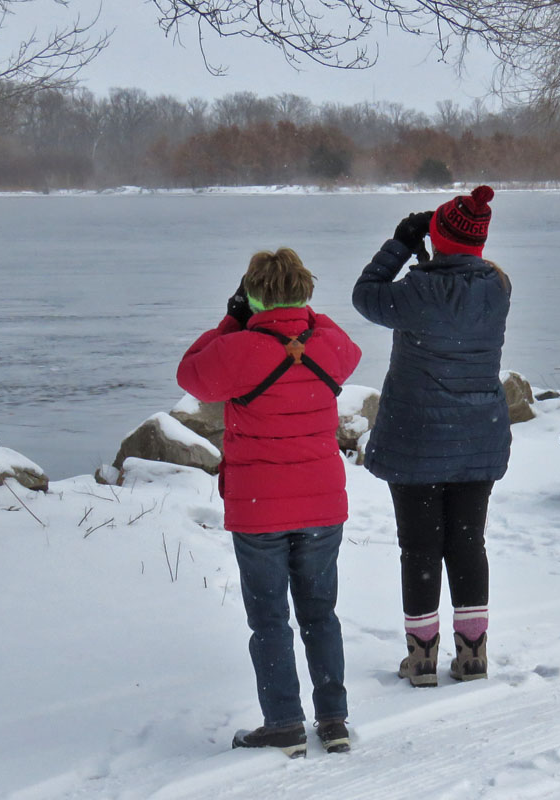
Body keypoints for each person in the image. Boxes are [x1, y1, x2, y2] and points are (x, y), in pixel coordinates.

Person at [177, 247, 361, 756]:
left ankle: (283, 722)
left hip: (260, 508)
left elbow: (189, 373)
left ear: (250, 295)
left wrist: (232, 320)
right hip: (323, 505)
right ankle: (334, 720)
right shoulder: (329, 344)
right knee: (321, 613)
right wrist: (304, 315)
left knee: (270, 619)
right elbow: (347, 348)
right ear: (306, 293)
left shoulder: (239, 350)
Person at [352, 186, 512, 686]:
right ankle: (473, 655)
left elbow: (366, 295)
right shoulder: (498, 287)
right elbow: (461, 277)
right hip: (477, 435)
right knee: (468, 544)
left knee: (420, 548)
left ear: (436, 238)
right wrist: (439, 250)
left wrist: (402, 242)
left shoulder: (415, 291)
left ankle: (421, 658)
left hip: (417, 439)